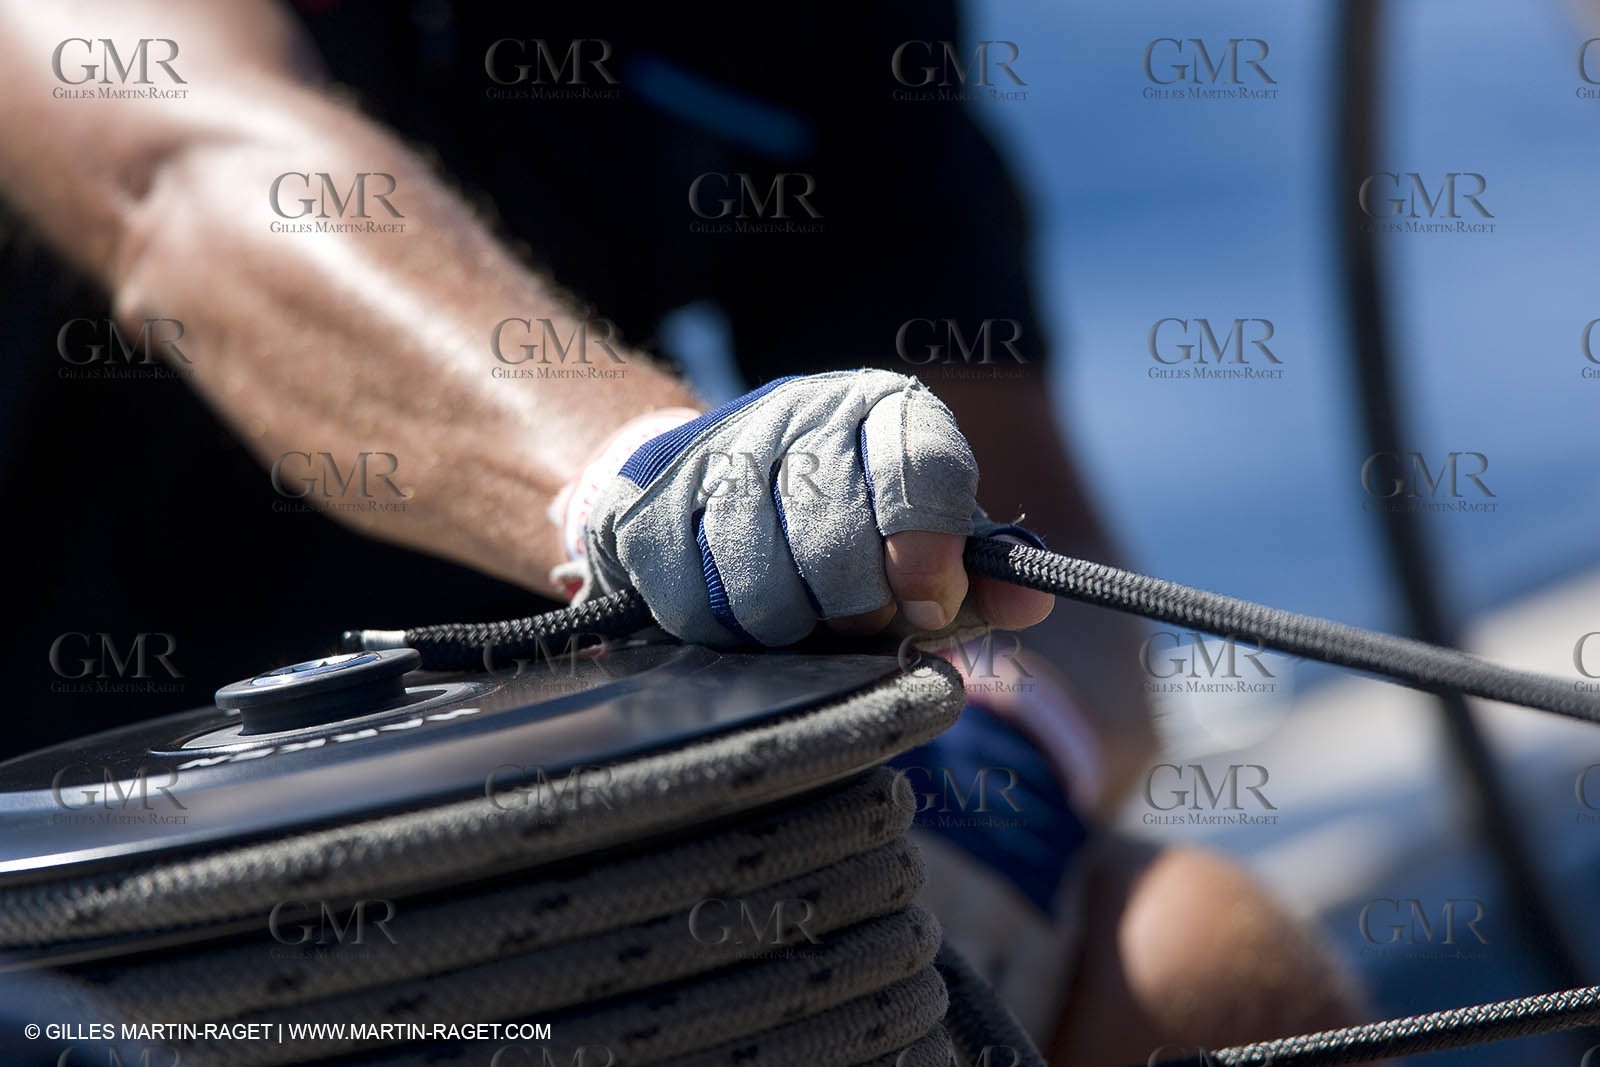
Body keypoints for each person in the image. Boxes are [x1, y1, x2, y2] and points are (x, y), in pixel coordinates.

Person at [0, 2, 1371, 1062]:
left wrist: (955, 778)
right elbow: (176, 179)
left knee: (1200, 966)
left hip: (567, 845)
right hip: (66, 894)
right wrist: (642, 477)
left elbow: (1059, 595)